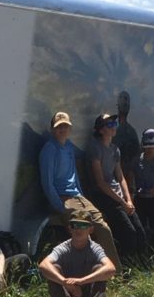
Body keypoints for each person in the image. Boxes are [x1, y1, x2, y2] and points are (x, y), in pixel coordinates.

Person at [38, 111, 120, 267]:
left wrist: (81, 196)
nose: (62, 130)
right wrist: (60, 207)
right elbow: (47, 183)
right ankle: (89, 270)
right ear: (53, 130)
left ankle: (113, 271)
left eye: (65, 126)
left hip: (77, 196)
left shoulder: (68, 146)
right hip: (62, 198)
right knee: (82, 229)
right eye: (59, 127)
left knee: (102, 227)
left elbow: (74, 174)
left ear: (70, 129)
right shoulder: (49, 150)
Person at [38, 214, 115, 297]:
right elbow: (43, 265)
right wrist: (65, 282)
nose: (78, 229)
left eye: (83, 226)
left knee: (100, 268)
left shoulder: (95, 248)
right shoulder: (63, 248)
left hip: (88, 296)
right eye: (75, 225)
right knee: (54, 268)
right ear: (70, 229)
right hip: (68, 296)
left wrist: (81, 281)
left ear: (90, 229)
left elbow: (111, 268)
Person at [88, 111, 144, 259]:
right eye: (110, 124)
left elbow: (120, 177)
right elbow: (100, 182)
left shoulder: (115, 149)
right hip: (105, 197)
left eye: (115, 123)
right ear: (101, 130)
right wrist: (122, 202)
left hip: (120, 198)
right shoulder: (95, 148)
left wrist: (129, 199)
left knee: (140, 230)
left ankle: (141, 265)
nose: (114, 126)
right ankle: (125, 269)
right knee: (129, 234)